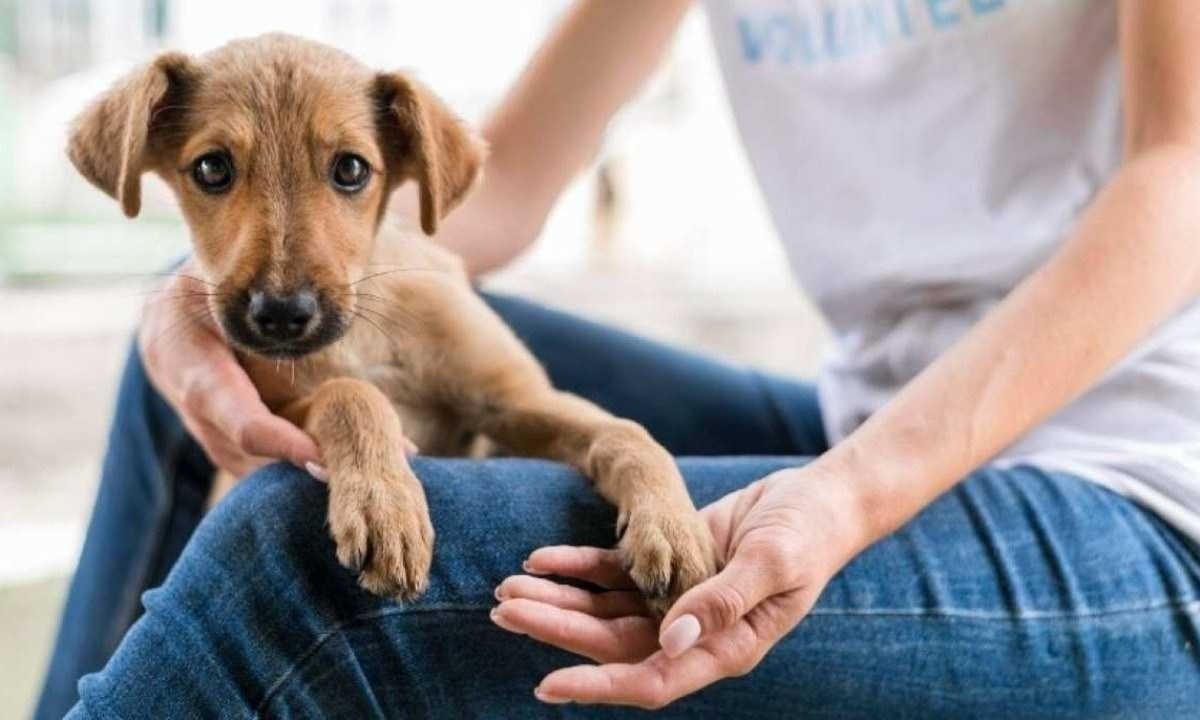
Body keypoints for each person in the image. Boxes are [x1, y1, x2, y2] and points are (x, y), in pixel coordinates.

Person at [35, 1, 1200, 716]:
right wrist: (194, 304)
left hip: (1136, 490)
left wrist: (850, 495)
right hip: (863, 413)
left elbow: (1182, 175)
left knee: (295, 560)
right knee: (187, 367)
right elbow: (493, 199)